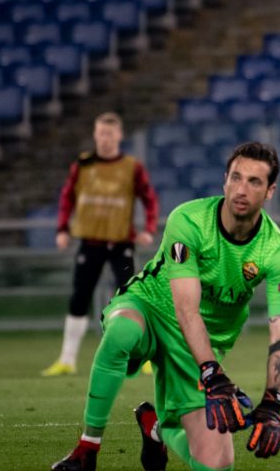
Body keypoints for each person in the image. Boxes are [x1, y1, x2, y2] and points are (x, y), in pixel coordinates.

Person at [51, 142, 280, 471]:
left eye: (254, 182)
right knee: (123, 331)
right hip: (152, 306)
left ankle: (157, 428)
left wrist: (272, 402)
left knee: (217, 466)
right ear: (224, 180)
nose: (242, 189)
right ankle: (87, 448)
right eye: (236, 177)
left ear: (270, 191)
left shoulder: (279, 251)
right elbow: (186, 309)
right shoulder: (189, 220)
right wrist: (212, 373)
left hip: (203, 340)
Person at [43, 112, 160, 377]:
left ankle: (144, 358)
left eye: (110, 133)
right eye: (101, 133)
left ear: (119, 136)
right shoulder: (83, 166)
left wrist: (149, 229)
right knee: (79, 298)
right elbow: (66, 198)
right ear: (95, 135)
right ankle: (67, 359)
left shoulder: (132, 167)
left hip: (121, 243)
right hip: (91, 242)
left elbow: (149, 198)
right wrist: (62, 229)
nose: (105, 139)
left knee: (133, 299)